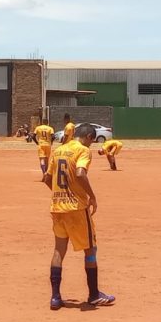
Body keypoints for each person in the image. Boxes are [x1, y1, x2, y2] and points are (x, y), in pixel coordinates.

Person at [43, 123, 115, 310]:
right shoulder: (82, 150)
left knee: (59, 250)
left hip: (57, 207)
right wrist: (92, 196)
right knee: (90, 250)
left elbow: (47, 179)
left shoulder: (58, 150)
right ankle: (93, 294)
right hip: (77, 208)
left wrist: (60, 193)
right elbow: (80, 173)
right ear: (90, 138)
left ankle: (55, 297)